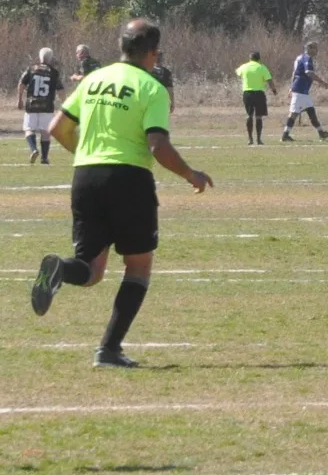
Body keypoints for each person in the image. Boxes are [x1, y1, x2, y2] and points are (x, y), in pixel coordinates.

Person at [28, 19, 213, 369]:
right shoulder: (152, 88)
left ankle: (60, 271)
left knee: (91, 269)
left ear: (121, 47)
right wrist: (192, 174)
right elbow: (158, 146)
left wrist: (91, 156)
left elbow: (58, 129)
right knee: (138, 266)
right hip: (129, 180)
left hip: (86, 176)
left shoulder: (93, 79)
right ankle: (108, 350)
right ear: (153, 53)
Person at [17, 47, 63, 164]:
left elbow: (21, 84)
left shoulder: (31, 69)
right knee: (46, 132)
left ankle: (33, 149)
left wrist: (20, 99)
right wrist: (64, 104)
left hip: (32, 105)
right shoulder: (54, 72)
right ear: (50, 58)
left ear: (40, 56)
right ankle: (44, 158)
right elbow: (60, 90)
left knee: (29, 129)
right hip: (47, 106)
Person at [282, 41, 328, 142]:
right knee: (294, 113)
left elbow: (294, 73)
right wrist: (322, 82)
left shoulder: (299, 57)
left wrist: (291, 87)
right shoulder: (307, 58)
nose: (317, 51)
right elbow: (309, 72)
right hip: (300, 90)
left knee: (311, 111)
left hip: (302, 90)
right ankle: (285, 135)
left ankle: (321, 133)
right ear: (309, 48)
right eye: (315, 48)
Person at [235, 51, 278, 145]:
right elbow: (269, 80)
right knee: (259, 116)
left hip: (247, 93)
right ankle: (258, 139)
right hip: (259, 94)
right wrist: (274, 90)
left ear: (250, 58)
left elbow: (237, 72)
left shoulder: (244, 66)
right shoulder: (262, 67)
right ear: (259, 59)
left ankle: (250, 139)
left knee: (249, 115)